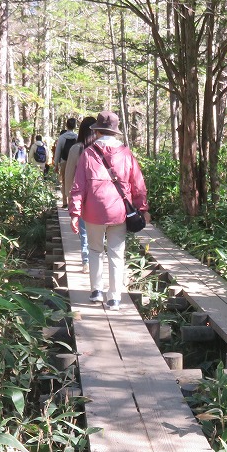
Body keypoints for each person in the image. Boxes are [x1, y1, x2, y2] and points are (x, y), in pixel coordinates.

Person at [68, 111, 150, 310]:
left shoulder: (88, 153)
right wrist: (143, 208)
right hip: (119, 211)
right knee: (116, 253)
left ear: (97, 131)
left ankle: (96, 290)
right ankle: (114, 298)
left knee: (95, 250)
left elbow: (78, 186)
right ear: (115, 131)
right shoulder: (126, 153)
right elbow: (138, 184)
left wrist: (74, 213)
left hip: (93, 211)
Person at [64, 116, 98, 274]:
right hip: (100, 198)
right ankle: (95, 260)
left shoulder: (76, 149)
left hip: (81, 197)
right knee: (98, 231)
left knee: (83, 231)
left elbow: (69, 175)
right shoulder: (101, 149)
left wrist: (68, 197)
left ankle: (86, 262)